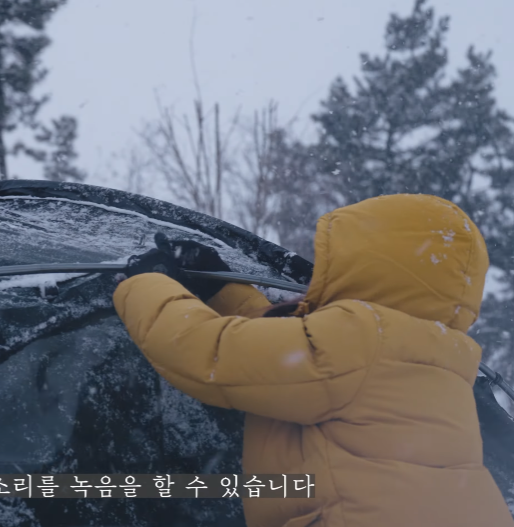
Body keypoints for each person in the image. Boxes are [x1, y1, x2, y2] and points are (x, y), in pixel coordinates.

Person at [112, 194, 514, 527]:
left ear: (370, 265)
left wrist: (146, 283)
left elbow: (208, 354)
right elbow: (286, 359)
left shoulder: (361, 337)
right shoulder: (435, 359)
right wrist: (222, 288)